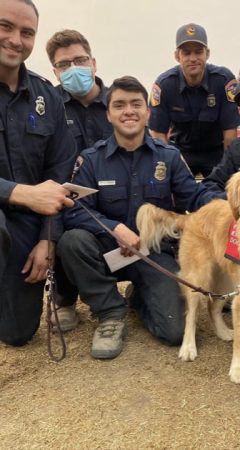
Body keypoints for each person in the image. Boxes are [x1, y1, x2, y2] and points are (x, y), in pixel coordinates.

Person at [58, 76, 221, 359]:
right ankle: (110, 311)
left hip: (151, 252)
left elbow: (193, 198)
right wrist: (114, 229)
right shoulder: (91, 159)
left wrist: (228, 206)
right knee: (73, 242)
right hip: (105, 252)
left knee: (174, 332)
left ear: (148, 112)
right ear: (108, 114)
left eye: (136, 104)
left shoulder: (168, 157)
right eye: (119, 105)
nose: (129, 111)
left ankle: (139, 297)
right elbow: (76, 210)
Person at [0, 0, 77, 347]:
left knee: (17, 334)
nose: (16, 40)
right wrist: (19, 193)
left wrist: (48, 239)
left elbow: (58, 175)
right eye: (5, 27)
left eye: (26, 32)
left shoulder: (48, 96)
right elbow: (33, 193)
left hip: (27, 226)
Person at [45, 28, 114, 331]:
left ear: (94, 63)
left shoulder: (119, 103)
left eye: (80, 60)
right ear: (55, 71)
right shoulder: (49, 107)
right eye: (64, 65)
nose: (73, 69)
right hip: (68, 198)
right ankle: (65, 299)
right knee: (57, 223)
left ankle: (137, 283)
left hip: (115, 198)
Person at [149, 23, 240, 177]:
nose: (193, 58)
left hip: (216, 153)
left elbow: (230, 134)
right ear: (177, 56)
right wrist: (174, 164)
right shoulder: (164, 85)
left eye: (199, 52)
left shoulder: (223, 80)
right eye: (186, 53)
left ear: (207, 54)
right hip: (180, 152)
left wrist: (225, 169)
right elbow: (158, 134)